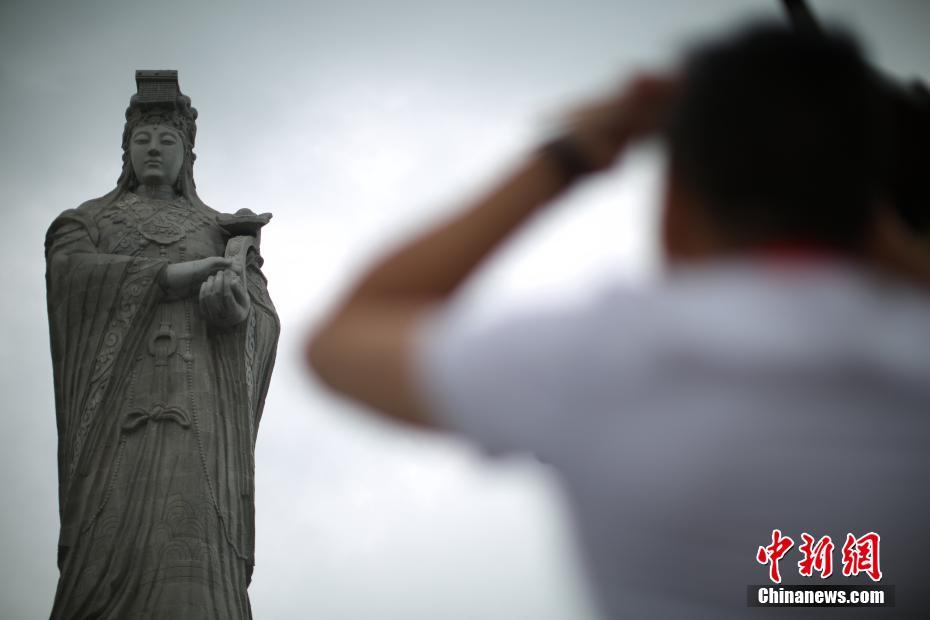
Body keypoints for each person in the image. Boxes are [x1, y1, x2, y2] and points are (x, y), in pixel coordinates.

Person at [307, 24, 930, 618]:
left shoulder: (605, 358)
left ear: (675, 206)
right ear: (875, 208)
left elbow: (342, 340)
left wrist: (568, 156)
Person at [45, 72, 279, 618]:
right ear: (125, 150)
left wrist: (237, 311)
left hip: (199, 411)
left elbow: (263, 315)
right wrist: (171, 275)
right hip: (116, 410)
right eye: (142, 140)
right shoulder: (89, 221)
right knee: (108, 532)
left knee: (192, 551)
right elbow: (69, 276)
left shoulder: (218, 230)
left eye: (167, 140)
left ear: (187, 154)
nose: (153, 149)